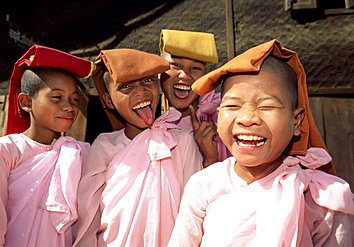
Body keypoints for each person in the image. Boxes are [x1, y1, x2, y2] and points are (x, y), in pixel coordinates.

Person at [167, 39, 353, 246]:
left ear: (296, 120)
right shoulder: (203, 185)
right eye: (233, 106)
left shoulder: (323, 196)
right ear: (218, 116)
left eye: (267, 107)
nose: (247, 119)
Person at [73, 48, 203, 247]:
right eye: (125, 86)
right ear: (108, 100)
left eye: (148, 80)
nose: (141, 91)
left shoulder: (183, 142)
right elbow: (89, 215)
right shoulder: (105, 145)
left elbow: (192, 212)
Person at [0, 45, 93, 247]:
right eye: (57, 97)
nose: (69, 106)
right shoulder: (3, 151)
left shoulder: (82, 154)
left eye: (75, 99)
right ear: (26, 102)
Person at [159, 29, 231, 166]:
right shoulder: (153, 129)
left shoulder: (223, 112)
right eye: (176, 65)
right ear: (159, 72)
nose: (185, 75)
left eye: (196, 68)